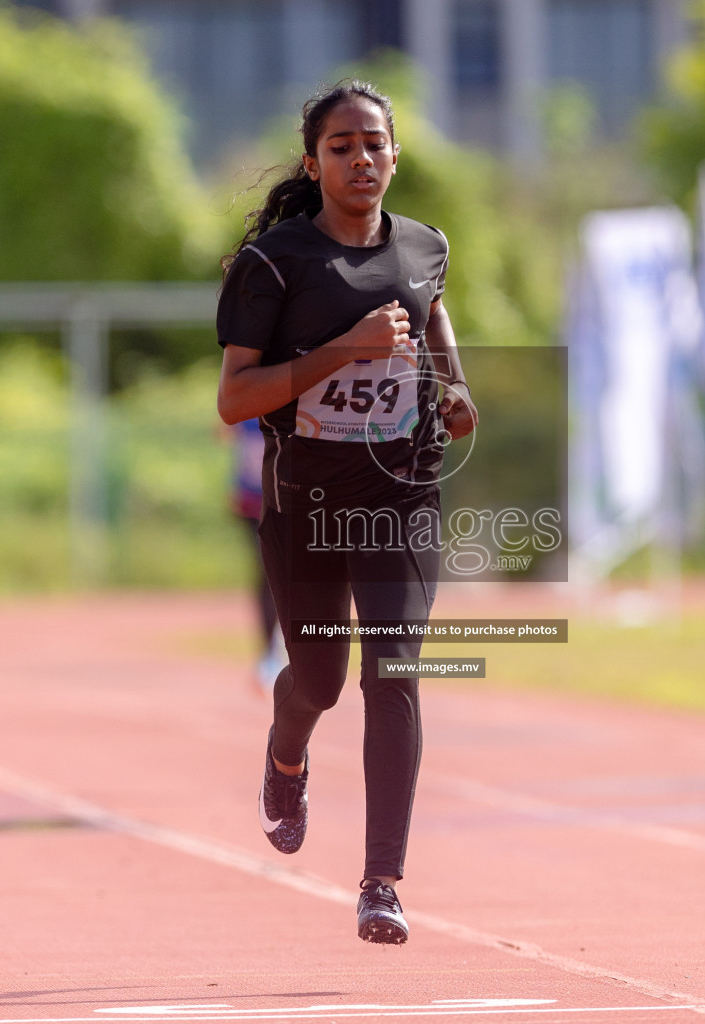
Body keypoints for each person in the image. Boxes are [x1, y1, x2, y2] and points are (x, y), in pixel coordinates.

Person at [215, 79, 477, 944]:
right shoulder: (274, 265)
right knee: (321, 681)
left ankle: (381, 883)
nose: (361, 159)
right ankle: (285, 758)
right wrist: (343, 352)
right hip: (309, 501)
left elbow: (432, 317)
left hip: (401, 497)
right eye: (342, 146)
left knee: (394, 671)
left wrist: (457, 391)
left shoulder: (426, 247)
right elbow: (235, 398)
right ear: (313, 161)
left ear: (395, 156)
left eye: (374, 145)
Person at [230, 416, 287, 694]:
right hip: (254, 503)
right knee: (266, 575)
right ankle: (270, 653)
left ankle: (283, 648)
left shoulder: (296, 402)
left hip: (288, 503)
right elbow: (224, 429)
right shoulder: (249, 408)